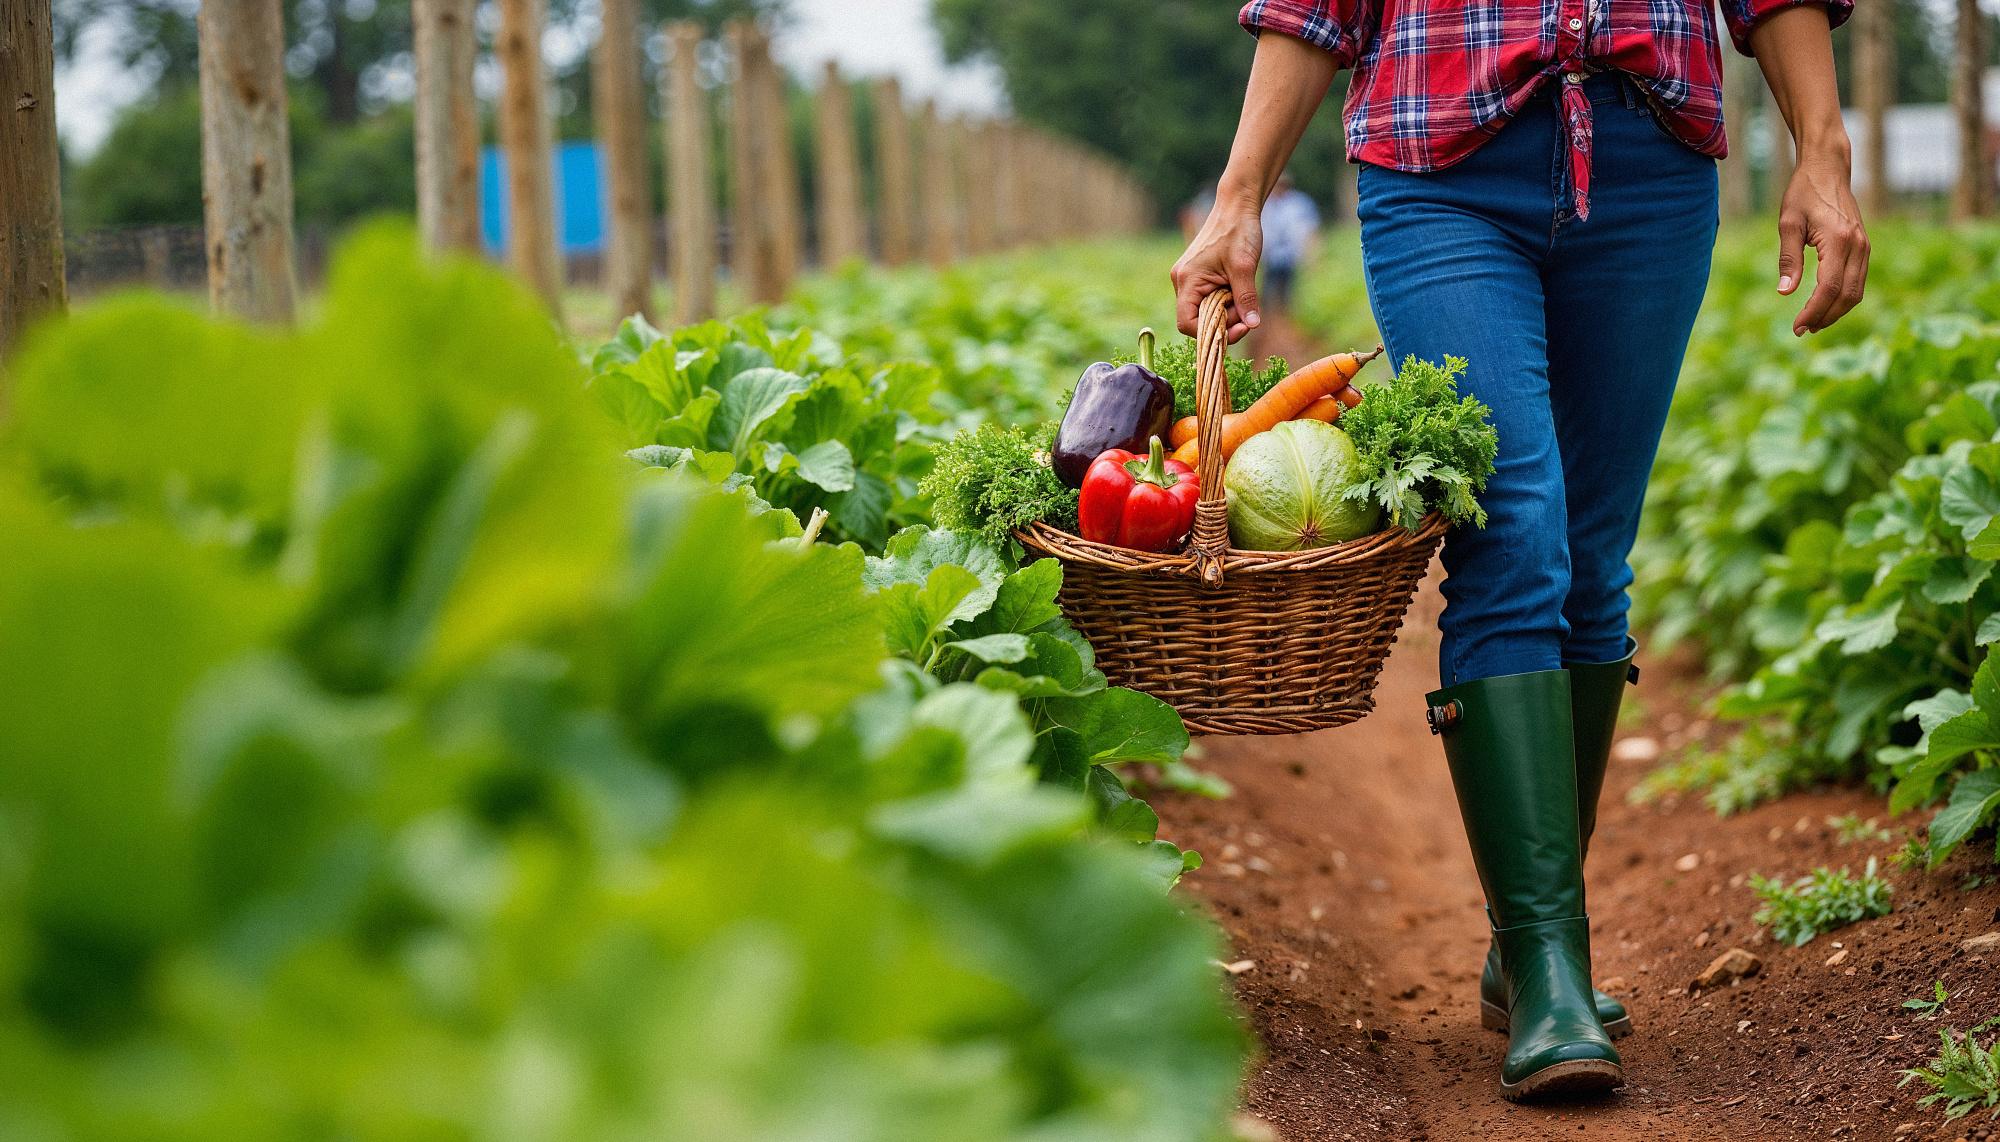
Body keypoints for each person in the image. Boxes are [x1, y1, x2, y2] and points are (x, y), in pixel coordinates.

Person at [1171, 0, 1867, 1103]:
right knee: (1513, 531)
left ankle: (1524, 941)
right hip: (1438, 159)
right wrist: (1238, 194)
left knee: (1593, 562)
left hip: (1651, 160)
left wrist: (1821, 152)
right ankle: (1551, 960)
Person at [1258, 171, 1320, 312]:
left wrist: (1312, 255)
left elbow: (1310, 230)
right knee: (1267, 293)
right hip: (1270, 256)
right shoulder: (1265, 204)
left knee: (1288, 293)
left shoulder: (1300, 203)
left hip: (1290, 256)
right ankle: (1268, 324)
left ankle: (1285, 322)